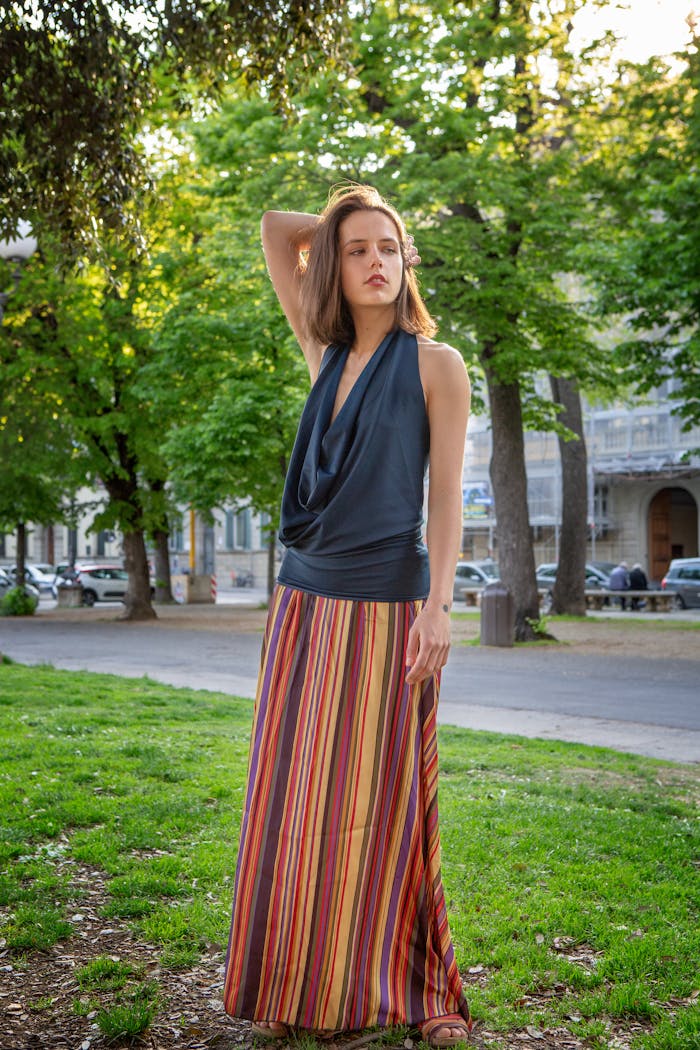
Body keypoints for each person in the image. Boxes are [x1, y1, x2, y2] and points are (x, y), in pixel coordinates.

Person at [222, 185, 472, 1047]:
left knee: (386, 803)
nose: (374, 262)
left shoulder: (437, 363)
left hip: (386, 607)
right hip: (301, 604)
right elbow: (274, 229)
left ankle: (418, 989)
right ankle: (304, 988)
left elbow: (446, 503)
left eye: (389, 249)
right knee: (296, 804)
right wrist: (348, 215)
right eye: (358, 249)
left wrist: (439, 607)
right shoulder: (321, 349)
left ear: (408, 265)